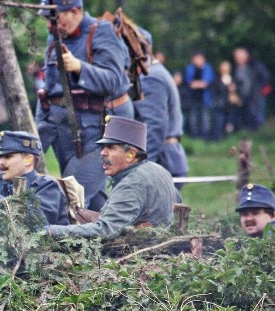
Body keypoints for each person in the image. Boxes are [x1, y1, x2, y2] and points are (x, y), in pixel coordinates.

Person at [35, 0, 133, 212]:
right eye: (47, 19)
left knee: (72, 194)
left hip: (101, 131)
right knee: (90, 197)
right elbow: (50, 90)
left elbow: (113, 81)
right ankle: (110, 238)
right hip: (67, 133)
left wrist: (79, 67)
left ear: (75, 11)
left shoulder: (102, 32)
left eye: (55, 17)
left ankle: (69, 241)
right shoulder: (55, 37)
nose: (49, 25)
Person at [48, 116, 177, 239]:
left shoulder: (132, 184)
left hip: (139, 253)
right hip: (161, 245)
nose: (103, 152)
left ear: (131, 155)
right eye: (103, 147)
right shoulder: (158, 170)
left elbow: (105, 231)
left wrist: (51, 231)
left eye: (110, 147)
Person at [133, 29, 189, 186]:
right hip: (165, 158)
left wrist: (141, 171)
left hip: (162, 161)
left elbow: (154, 127)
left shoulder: (150, 77)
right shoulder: (153, 72)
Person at [0, 130, 69, 227]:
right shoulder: (5, 189)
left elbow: (37, 225)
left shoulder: (48, 187)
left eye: (7, 157)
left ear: (28, 160)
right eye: (0, 157)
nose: (0, 163)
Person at [184, 52, 214, 140]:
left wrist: (197, 84)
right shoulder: (190, 68)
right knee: (193, 116)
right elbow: (189, 82)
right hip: (193, 98)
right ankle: (194, 136)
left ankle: (205, 136)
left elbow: (207, 82)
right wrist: (200, 84)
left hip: (205, 98)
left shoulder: (208, 68)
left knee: (205, 117)